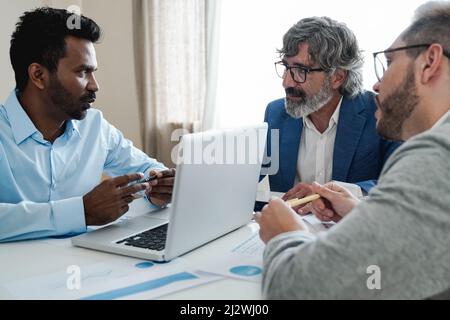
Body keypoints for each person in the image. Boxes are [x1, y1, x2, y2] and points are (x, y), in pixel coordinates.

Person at [255, 1, 450, 299]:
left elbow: (296, 289)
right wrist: (362, 212)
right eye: (286, 68)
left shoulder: (432, 151)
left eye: (388, 63)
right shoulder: (275, 113)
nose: (377, 83)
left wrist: (286, 233)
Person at [0, 8, 174, 242]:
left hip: (89, 267)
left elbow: (147, 169)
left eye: (93, 72)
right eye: (82, 72)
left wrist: (157, 189)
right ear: (38, 75)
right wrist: (81, 211)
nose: (94, 86)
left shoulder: (95, 126)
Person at [263, 16, 400, 203]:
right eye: (286, 67)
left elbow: (400, 185)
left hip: (354, 228)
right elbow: (261, 189)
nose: (286, 82)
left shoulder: (381, 113)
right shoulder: (275, 113)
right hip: (290, 228)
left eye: (301, 70)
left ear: (337, 77)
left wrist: (327, 193)